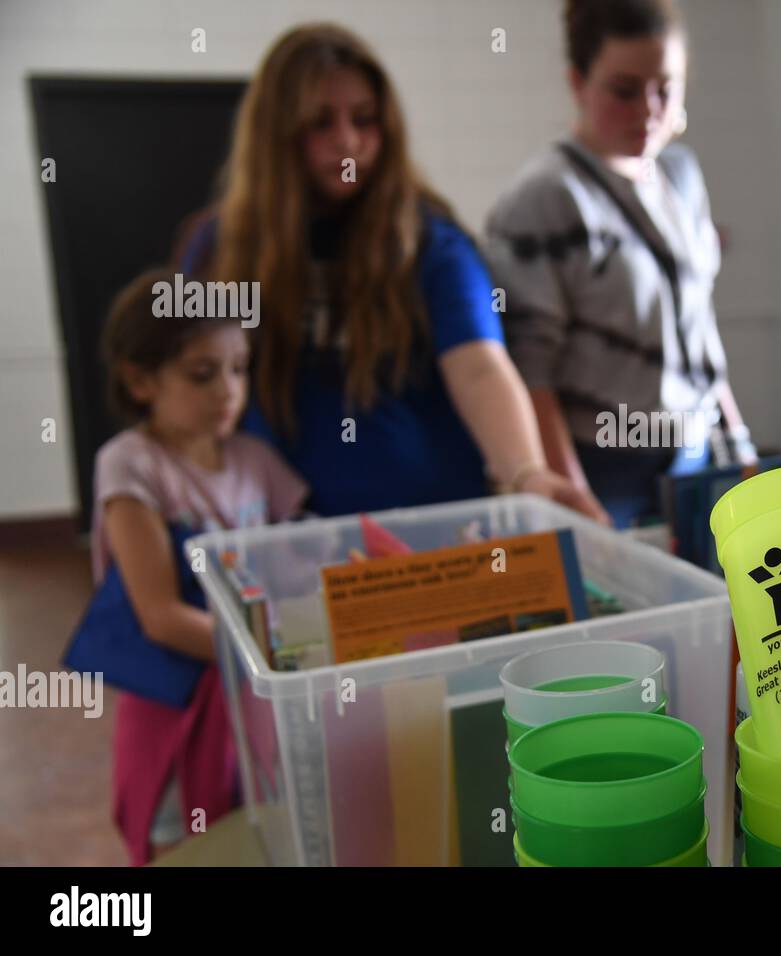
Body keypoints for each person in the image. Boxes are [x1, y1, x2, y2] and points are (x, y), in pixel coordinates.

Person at [181, 24, 608, 523]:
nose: (347, 142)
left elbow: (479, 367)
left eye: (365, 120)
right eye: (320, 123)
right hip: (283, 534)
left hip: (429, 530)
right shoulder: (220, 248)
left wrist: (525, 474)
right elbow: (188, 379)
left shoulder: (431, 242)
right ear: (276, 134)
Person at [485, 0, 756, 529]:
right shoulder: (546, 198)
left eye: (665, 88)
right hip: (605, 464)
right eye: (624, 90)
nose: (648, 109)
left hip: (694, 456)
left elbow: (698, 325)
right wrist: (578, 504)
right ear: (578, 83)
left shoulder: (679, 175)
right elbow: (530, 372)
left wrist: (739, 444)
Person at [94, 269, 310, 865]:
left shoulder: (257, 460)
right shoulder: (131, 466)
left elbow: (296, 566)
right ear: (140, 380)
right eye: (202, 374)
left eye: (239, 370)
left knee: (255, 828)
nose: (227, 392)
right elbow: (160, 617)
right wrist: (270, 651)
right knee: (182, 837)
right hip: (176, 703)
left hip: (255, 698)